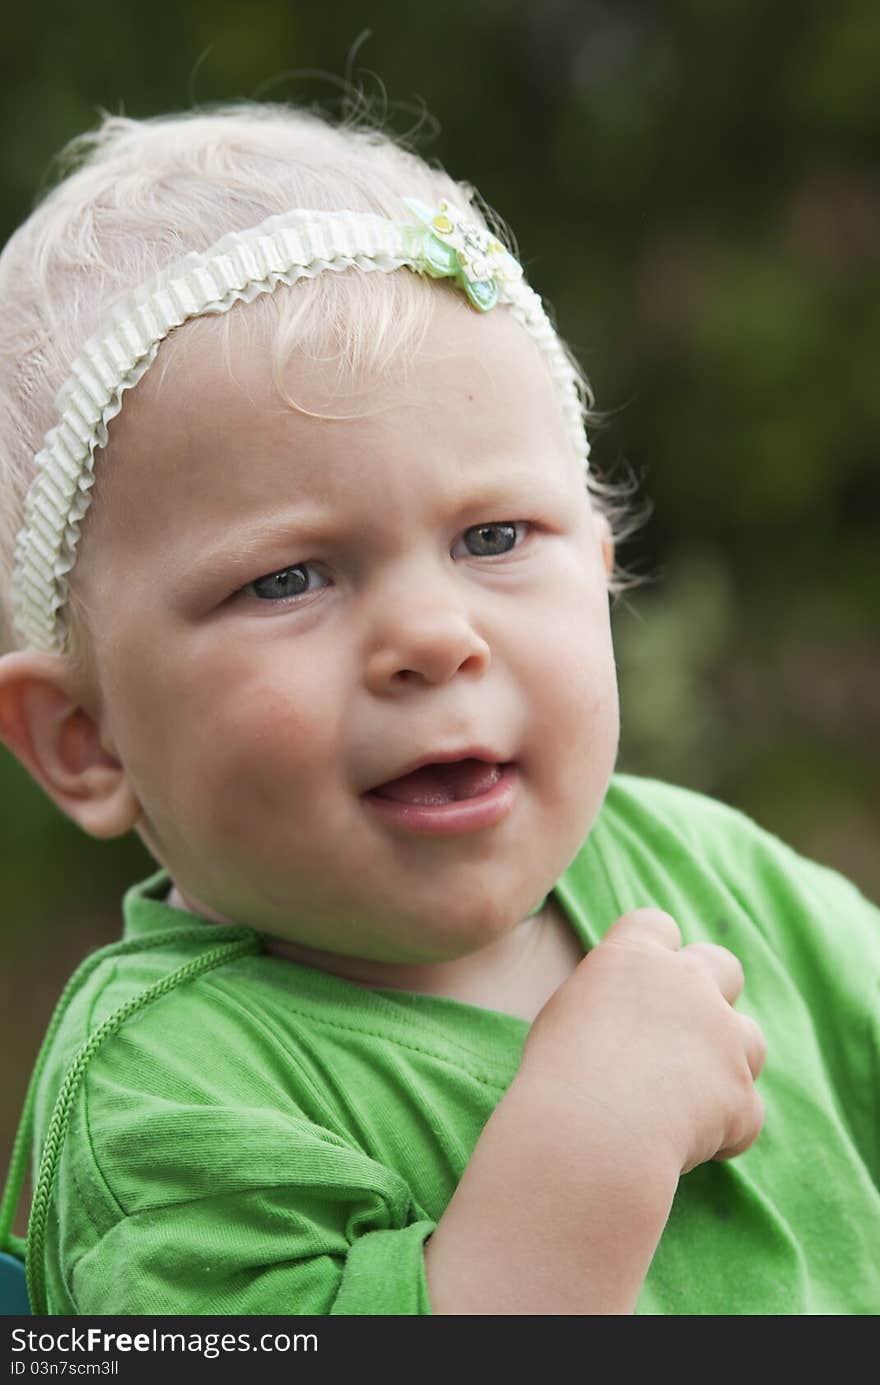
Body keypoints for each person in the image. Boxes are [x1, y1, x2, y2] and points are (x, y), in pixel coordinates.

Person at [0, 104, 876, 1318]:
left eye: (494, 537)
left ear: (603, 569)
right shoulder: (166, 1096)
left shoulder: (716, 873)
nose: (431, 635)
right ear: (84, 740)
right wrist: (584, 1154)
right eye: (287, 577)